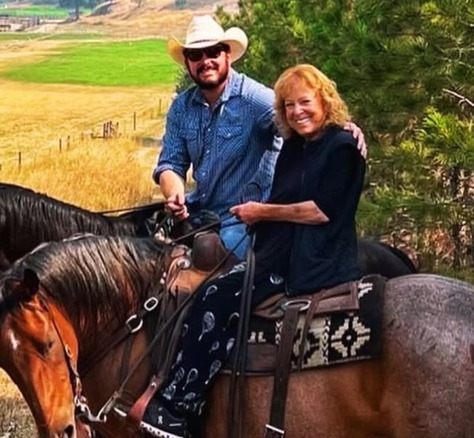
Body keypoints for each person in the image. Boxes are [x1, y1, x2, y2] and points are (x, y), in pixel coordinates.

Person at [139, 64, 367, 438]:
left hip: (312, 260)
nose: (297, 112)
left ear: (325, 101)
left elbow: (321, 210)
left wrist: (260, 212)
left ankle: (181, 405)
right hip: (277, 247)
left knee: (215, 296)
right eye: (289, 105)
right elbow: (172, 161)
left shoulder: (343, 147)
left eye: (305, 102)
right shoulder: (294, 146)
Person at [154, 15, 366, 258]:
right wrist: (174, 194)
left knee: (220, 277)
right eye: (196, 55)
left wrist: (340, 127)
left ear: (228, 55)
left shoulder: (255, 99)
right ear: (187, 62)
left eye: (213, 52)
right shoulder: (182, 107)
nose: (206, 61)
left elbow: (301, 122)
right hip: (199, 212)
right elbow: (171, 163)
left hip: (245, 221)